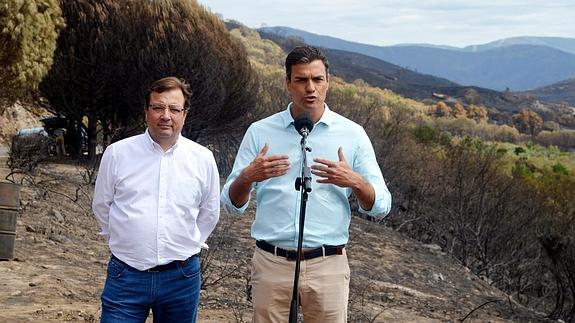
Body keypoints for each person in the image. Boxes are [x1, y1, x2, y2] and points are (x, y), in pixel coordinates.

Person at [221, 46, 392, 322]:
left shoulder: (352, 135)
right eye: (301, 80)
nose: (310, 88)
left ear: (328, 82)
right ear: (287, 83)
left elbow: (381, 205)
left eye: (317, 79)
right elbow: (231, 204)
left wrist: (356, 182)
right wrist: (247, 177)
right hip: (271, 263)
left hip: (328, 265)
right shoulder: (260, 131)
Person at [92, 77, 220, 323]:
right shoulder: (118, 154)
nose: (166, 115)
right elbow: (102, 205)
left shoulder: (202, 159)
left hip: (181, 278)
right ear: (146, 111)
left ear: (185, 114)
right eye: (158, 107)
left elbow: (209, 213)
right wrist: (126, 241)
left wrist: (187, 246)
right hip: (126, 275)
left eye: (174, 109)